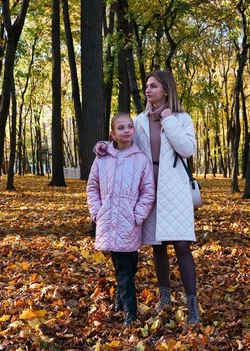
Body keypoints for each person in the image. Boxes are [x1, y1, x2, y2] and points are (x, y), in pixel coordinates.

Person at [95, 70, 201, 325]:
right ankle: (164, 298)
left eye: (153, 86)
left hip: (174, 188)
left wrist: (167, 119)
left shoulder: (182, 118)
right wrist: (103, 147)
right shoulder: (140, 121)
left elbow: (187, 149)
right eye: (146, 86)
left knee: (183, 246)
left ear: (166, 89)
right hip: (148, 188)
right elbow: (126, 144)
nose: (147, 90)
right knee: (158, 246)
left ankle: (192, 304)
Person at [87, 113, 155, 326]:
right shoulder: (102, 158)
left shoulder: (141, 159)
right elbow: (92, 186)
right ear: (112, 134)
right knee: (124, 269)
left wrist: (137, 215)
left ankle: (118, 300)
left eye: (129, 127)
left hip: (130, 222)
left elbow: (148, 191)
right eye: (121, 128)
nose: (126, 130)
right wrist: (97, 212)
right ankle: (130, 313)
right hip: (109, 221)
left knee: (129, 267)